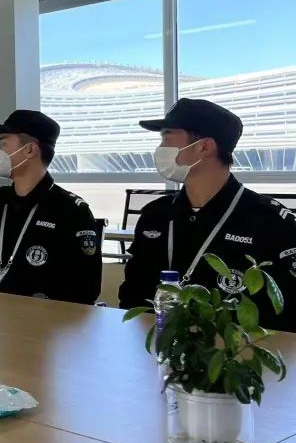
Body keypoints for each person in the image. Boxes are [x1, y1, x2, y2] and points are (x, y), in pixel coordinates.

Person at [118, 98, 296, 331]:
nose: (160, 148)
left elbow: (288, 314)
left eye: (167, 138)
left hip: (236, 350)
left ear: (205, 146)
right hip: (155, 344)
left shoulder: (270, 221)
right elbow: (131, 296)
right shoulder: (156, 215)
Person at [0, 110, 102, 304]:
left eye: (3, 144)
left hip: (39, 319)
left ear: (29, 150)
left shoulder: (71, 211)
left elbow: (84, 290)